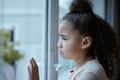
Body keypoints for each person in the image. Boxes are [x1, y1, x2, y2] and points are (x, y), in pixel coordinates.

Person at [29, 0, 120, 80]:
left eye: (64, 38)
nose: (58, 44)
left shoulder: (90, 74)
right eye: (60, 37)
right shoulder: (82, 69)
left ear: (85, 42)